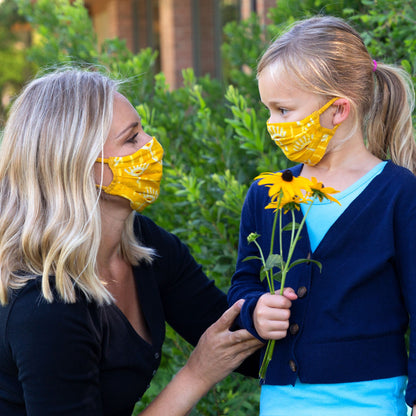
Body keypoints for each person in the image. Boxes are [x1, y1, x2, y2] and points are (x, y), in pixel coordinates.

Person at [0, 68, 262, 416]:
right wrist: (197, 374)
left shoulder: (144, 247)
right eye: (132, 138)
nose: (152, 145)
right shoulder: (46, 305)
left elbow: (237, 337)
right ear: (85, 169)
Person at [228, 15, 416, 416]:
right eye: (268, 110)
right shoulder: (264, 194)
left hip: (373, 400)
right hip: (283, 400)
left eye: (283, 110)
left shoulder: (400, 192)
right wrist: (254, 311)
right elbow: (243, 283)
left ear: (338, 110)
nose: (272, 125)